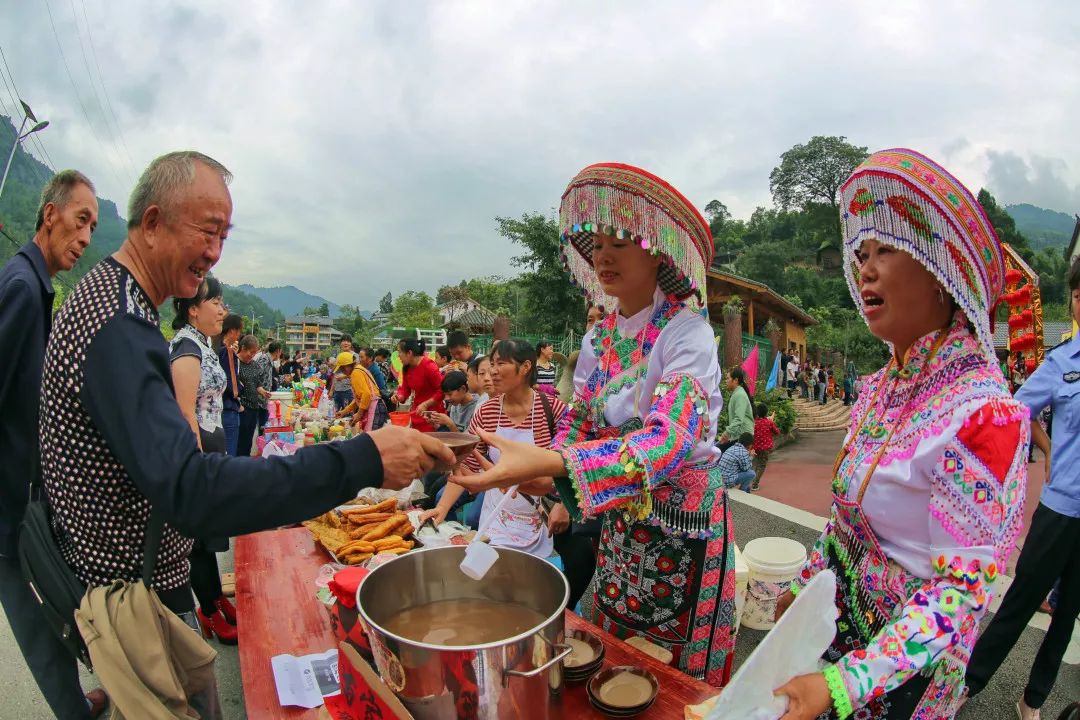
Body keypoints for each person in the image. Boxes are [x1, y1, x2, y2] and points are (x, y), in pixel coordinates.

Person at [37, 150, 454, 717]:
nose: (214, 253)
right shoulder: (119, 325)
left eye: (224, 236)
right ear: (153, 223)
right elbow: (192, 491)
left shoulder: (114, 304)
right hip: (130, 596)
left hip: (120, 579)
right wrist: (362, 459)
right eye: (207, 231)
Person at [450, 163, 736, 687]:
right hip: (618, 514)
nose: (602, 255)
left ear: (657, 250)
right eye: (597, 243)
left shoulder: (688, 332)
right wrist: (542, 477)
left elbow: (671, 439)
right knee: (609, 654)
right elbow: (578, 424)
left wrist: (559, 466)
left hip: (683, 523)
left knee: (671, 673)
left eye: (621, 241)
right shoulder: (598, 339)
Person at [772, 149, 1029, 720]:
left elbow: (961, 593)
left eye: (885, 250)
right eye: (860, 254)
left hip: (899, 678)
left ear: (942, 272)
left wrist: (845, 684)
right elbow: (846, 520)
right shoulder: (878, 390)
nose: (864, 268)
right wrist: (809, 583)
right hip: (837, 639)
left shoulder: (983, 414)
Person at [0, 169, 107, 718]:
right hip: (8, 503)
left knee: (51, 605)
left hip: (26, 493)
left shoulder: (36, 285)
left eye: (92, 224)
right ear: (50, 216)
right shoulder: (21, 287)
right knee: (35, 615)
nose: (87, 236)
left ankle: (74, 702)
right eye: (81, 219)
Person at [964, 258, 1080, 720]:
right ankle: (966, 686)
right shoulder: (1062, 363)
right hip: (1058, 511)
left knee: (1068, 613)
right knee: (1020, 602)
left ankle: (1032, 700)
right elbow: (1015, 410)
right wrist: (1049, 447)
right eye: (1076, 292)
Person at [423, 339, 565, 561]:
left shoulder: (553, 409)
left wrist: (562, 504)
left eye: (501, 364)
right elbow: (465, 466)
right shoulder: (485, 413)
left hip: (538, 517)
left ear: (526, 367)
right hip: (496, 519)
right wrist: (441, 508)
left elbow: (572, 464)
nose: (493, 372)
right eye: (492, 365)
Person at [168, 275, 237, 645]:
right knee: (196, 540)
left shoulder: (203, 344)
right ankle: (207, 612)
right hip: (198, 452)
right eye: (216, 302)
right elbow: (185, 413)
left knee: (208, 537)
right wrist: (197, 464)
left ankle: (214, 600)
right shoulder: (186, 347)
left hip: (211, 446)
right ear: (193, 308)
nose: (222, 309)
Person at [395, 338, 446, 432]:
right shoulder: (407, 368)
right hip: (418, 412)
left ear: (409, 353)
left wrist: (426, 404)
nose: (398, 356)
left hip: (432, 415)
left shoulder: (429, 366)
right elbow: (405, 389)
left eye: (400, 352)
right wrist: (399, 396)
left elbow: (442, 390)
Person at [236, 334, 272, 457]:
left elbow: (257, 384)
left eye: (254, 353)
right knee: (239, 440)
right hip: (241, 408)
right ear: (243, 348)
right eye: (250, 352)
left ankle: (245, 463)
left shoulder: (254, 365)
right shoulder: (235, 364)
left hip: (254, 407)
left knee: (248, 440)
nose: (251, 356)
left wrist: (263, 392)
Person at [333, 351, 387, 432]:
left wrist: (359, 413)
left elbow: (366, 394)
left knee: (370, 438)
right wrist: (345, 411)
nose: (342, 371)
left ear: (348, 366)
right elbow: (360, 397)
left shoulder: (356, 373)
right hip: (376, 406)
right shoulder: (358, 369)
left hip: (375, 407)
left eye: (342, 368)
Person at [216, 313, 244, 456]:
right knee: (229, 453)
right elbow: (232, 386)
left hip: (216, 409)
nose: (239, 335)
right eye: (239, 331)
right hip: (228, 408)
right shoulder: (227, 353)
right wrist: (239, 394)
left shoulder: (213, 349)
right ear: (232, 330)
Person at [719, 366, 754, 450]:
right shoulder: (737, 393)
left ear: (735, 380)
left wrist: (727, 433)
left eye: (728, 378)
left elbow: (738, 418)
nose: (726, 381)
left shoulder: (739, 395)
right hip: (739, 435)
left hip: (743, 437)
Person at [750, 403, 780, 489]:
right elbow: (777, 432)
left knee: (756, 464)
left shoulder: (754, 423)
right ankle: (755, 484)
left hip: (755, 447)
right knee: (762, 465)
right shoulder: (769, 422)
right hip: (765, 448)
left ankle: (752, 480)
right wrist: (772, 421)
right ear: (766, 413)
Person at [333, 336, 359, 411]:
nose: (346, 343)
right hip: (337, 390)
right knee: (337, 413)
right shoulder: (339, 356)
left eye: (348, 341)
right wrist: (332, 390)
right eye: (344, 341)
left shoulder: (355, 356)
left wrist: (344, 376)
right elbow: (335, 374)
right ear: (340, 343)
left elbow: (357, 373)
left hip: (349, 390)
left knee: (348, 414)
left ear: (351, 344)